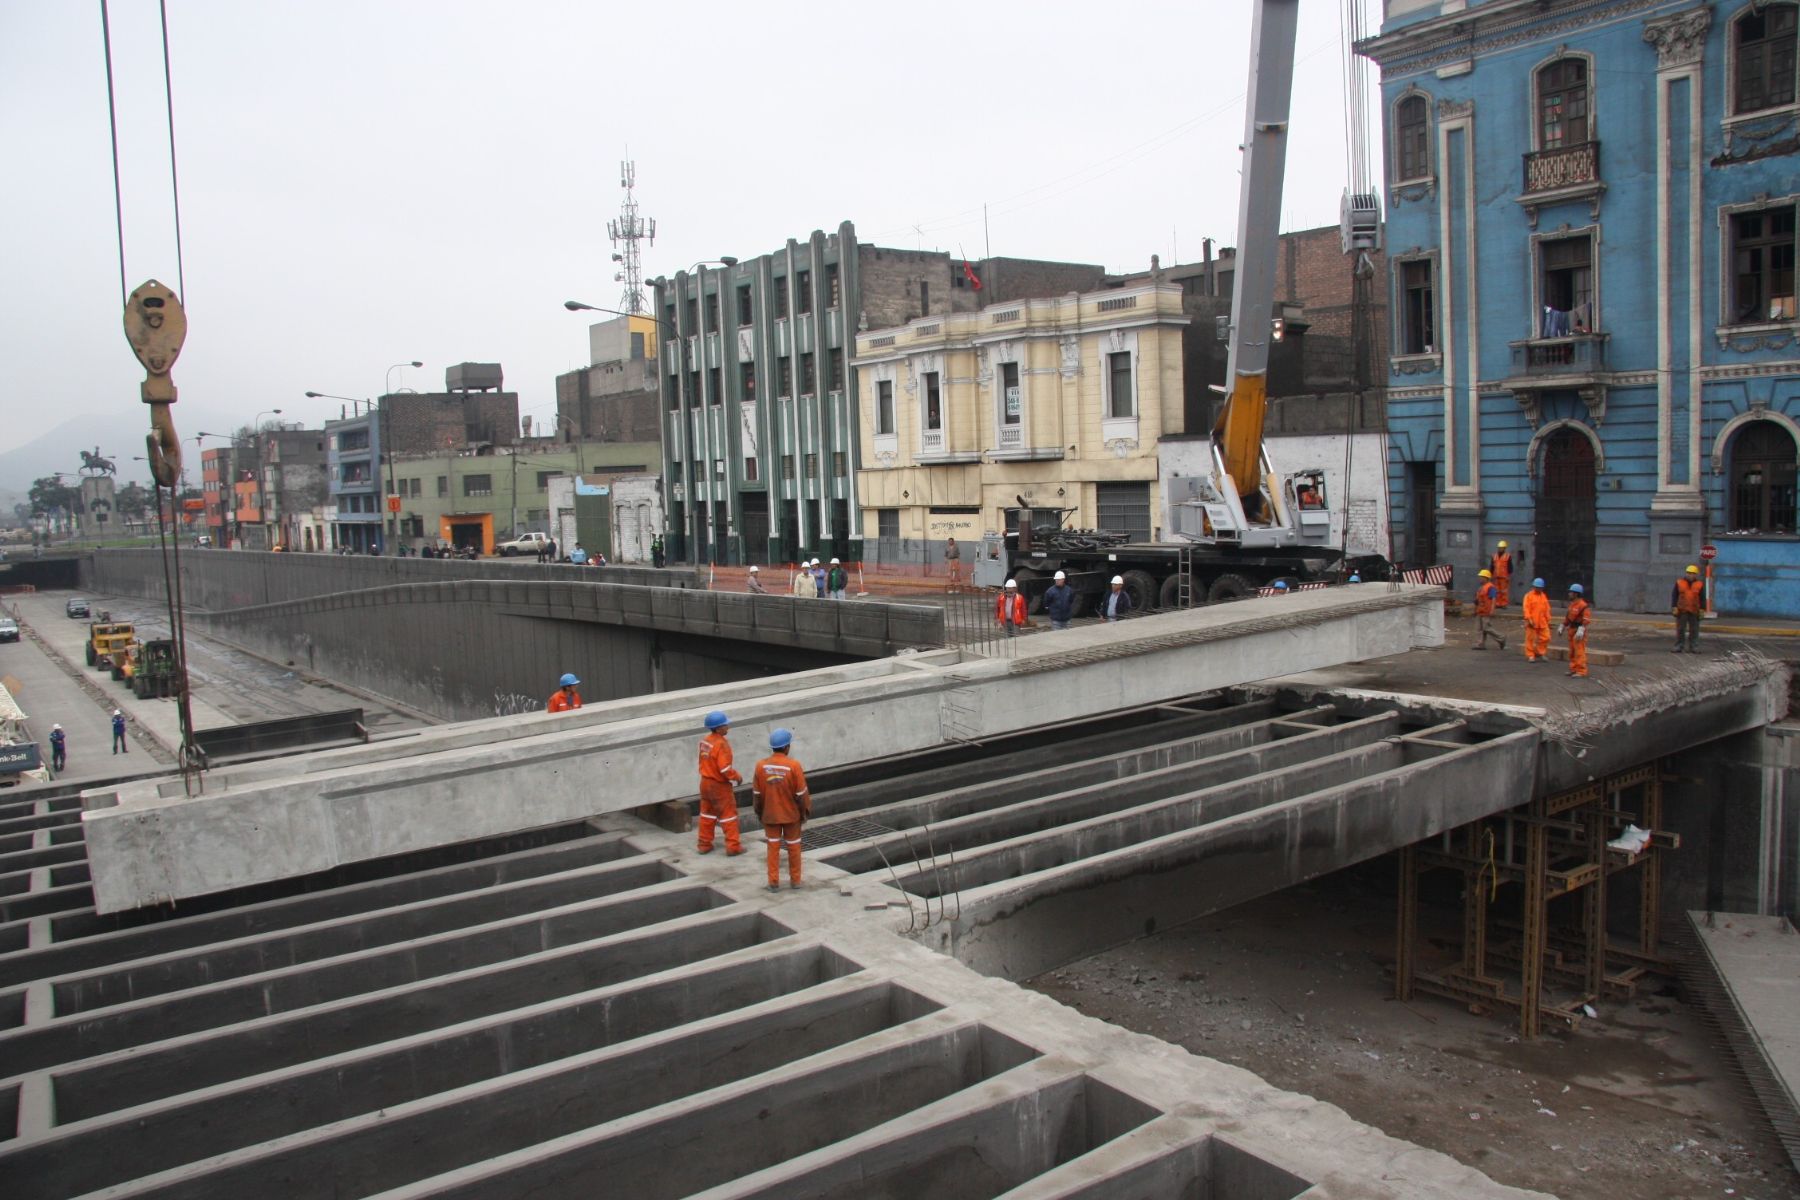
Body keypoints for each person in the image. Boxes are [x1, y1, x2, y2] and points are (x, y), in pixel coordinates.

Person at [753, 727, 811, 891]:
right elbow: (801, 794)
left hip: (770, 815)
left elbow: (757, 794)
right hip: (791, 816)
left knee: (773, 848)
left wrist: (759, 812)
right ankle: (796, 881)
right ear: (787, 747)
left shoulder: (760, 766)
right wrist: (804, 812)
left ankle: (773, 882)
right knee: (793, 847)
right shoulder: (794, 766)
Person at [696, 710, 744, 856]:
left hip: (705, 782)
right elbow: (724, 769)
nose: (727, 727)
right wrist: (737, 777)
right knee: (728, 814)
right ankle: (733, 846)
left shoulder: (705, 741)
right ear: (718, 728)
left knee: (707, 814)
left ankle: (704, 844)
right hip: (718, 785)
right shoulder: (721, 744)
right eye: (725, 725)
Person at [1671, 565, 1705, 653]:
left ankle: (1694, 647)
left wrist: (1702, 609)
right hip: (1682, 610)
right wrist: (1674, 607)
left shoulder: (1699, 584)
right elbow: (1675, 595)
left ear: (1696, 575)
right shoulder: (1679, 582)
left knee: (1694, 630)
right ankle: (1679, 646)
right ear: (1686, 573)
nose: (1690, 575)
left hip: (1694, 610)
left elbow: (1702, 597)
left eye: (1693, 574)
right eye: (1689, 573)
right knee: (1680, 629)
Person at [1562, 583, 1591, 678]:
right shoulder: (1572, 605)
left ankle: (1581, 671)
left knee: (1579, 651)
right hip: (1571, 630)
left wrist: (1581, 629)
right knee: (1572, 652)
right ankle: (1573, 669)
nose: (1569, 594)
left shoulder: (1583, 606)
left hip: (1578, 631)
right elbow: (1568, 617)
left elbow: (1586, 619)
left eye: (1571, 592)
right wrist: (1563, 625)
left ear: (1576, 594)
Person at [1472, 568, 1505, 650]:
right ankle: (1480, 644)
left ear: (1486, 578)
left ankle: (1501, 637)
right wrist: (1475, 610)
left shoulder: (1490, 587)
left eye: (1481, 577)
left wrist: (1492, 610)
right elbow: (1477, 600)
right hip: (1480, 611)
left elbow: (1493, 599)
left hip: (1486, 611)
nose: (1480, 578)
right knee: (1479, 628)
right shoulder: (1481, 588)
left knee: (1486, 628)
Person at [1522, 577, 1551, 663]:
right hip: (1532, 621)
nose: (1538, 589)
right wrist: (1528, 618)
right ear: (1534, 586)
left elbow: (1547, 608)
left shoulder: (1543, 596)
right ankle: (1530, 655)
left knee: (1546, 637)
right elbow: (1526, 608)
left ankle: (1540, 652)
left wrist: (1548, 619)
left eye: (1540, 587)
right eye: (1537, 587)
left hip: (1542, 621)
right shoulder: (1528, 596)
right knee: (1530, 639)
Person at [1491, 540, 1514, 607]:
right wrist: (1491, 574)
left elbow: (1510, 567)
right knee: (1497, 591)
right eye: (1499, 548)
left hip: (1504, 577)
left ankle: (1503, 604)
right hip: (1496, 577)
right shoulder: (1494, 556)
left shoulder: (1507, 556)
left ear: (1504, 548)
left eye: (1502, 548)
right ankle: (1497, 603)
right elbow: (1492, 566)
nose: (1500, 549)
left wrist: (1509, 575)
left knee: (1504, 591)